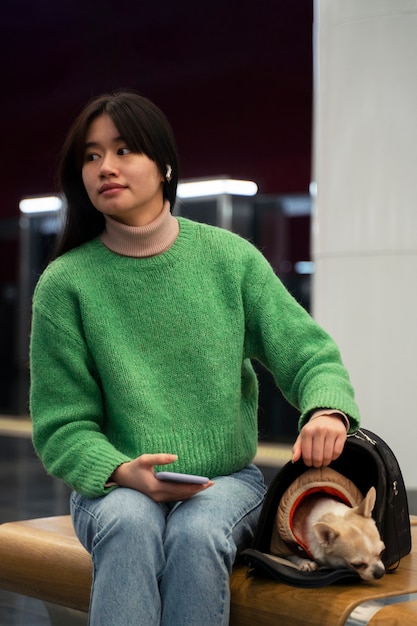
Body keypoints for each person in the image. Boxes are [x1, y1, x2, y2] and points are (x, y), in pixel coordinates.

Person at [30, 90, 360, 626]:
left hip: (226, 481)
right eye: (91, 156)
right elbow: (61, 425)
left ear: (163, 166)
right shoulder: (65, 284)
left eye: (122, 151)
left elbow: (308, 353)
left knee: (197, 530)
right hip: (115, 487)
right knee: (131, 523)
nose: (104, 168)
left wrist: (327, 409)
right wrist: (118, 470)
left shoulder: (229, 259)